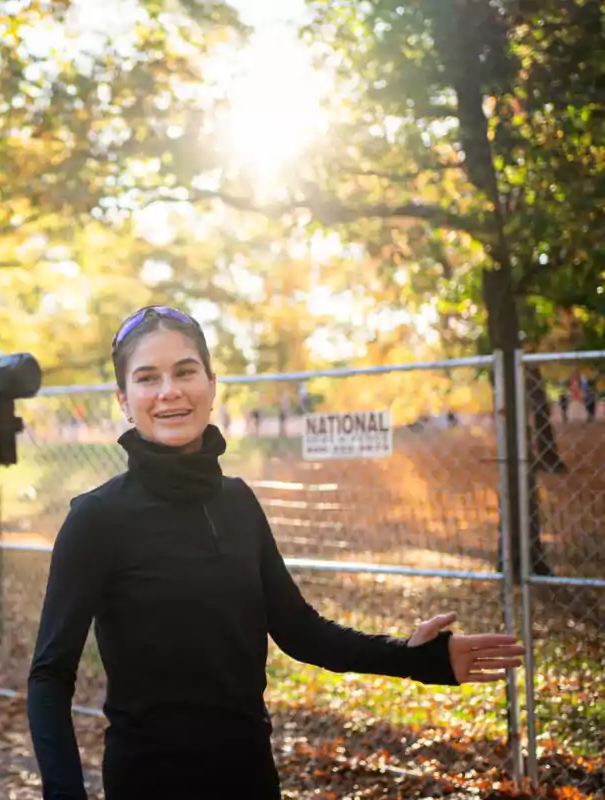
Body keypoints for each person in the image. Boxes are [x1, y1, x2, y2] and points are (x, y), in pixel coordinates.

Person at [26, 305, 524, 799]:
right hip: (149, 781)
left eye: (185, 371)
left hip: (251, 777)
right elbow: (50, 677)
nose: (169, 391)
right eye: (147, 378)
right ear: (124, 399)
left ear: (212, 385)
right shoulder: (96, 518)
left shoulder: (237, 501)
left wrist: (415, 659)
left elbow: (300, 631)